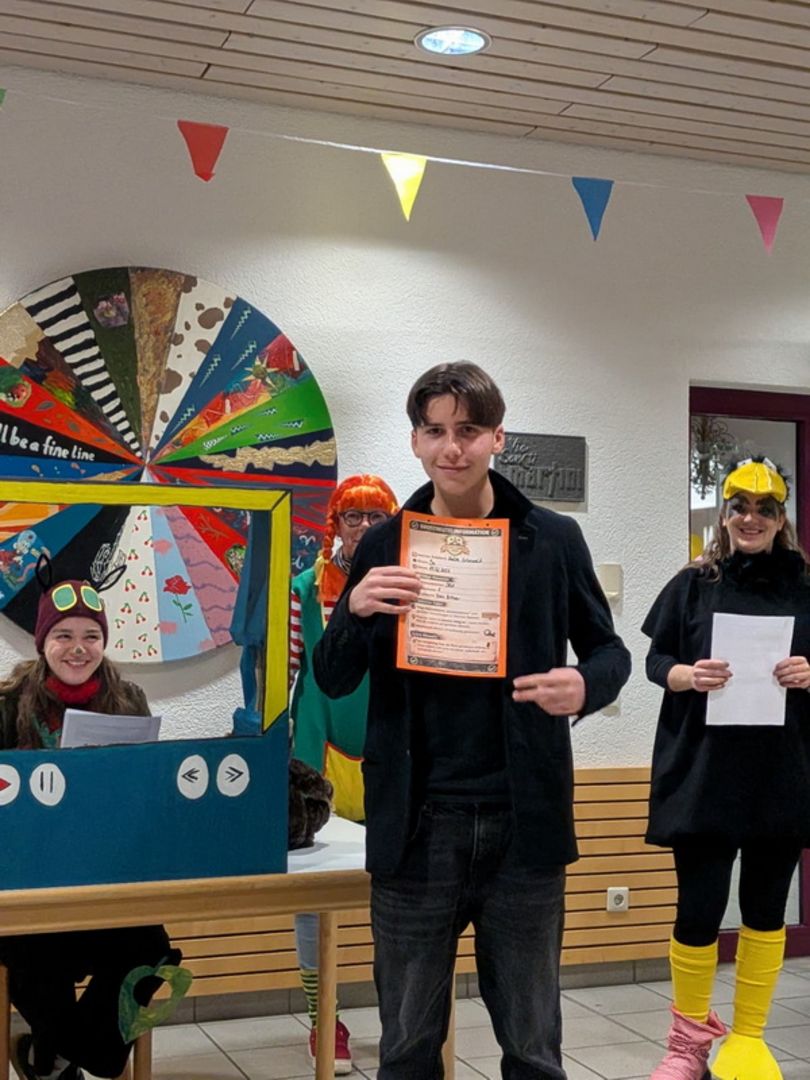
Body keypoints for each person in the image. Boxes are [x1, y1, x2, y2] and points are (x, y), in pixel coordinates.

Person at [313, 362, 631, 1079]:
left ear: (497, 438)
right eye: (435, 431)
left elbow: (611, 653)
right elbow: (332, 676)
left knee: (533, 1047)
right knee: (406, 1048)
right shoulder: (383, 545)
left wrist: (584, 684)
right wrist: (355, 610)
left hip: (524, 825)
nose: (451, 448)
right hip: (416, 827)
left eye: (468, 430)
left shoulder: (552, 538)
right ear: (415, 441)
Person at [644, 458, 810, 1080]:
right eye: (740, 507)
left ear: (781, 519)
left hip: (780, 774)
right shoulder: (694, 583)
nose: (751, 519)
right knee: (699, 909)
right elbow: (656, 660)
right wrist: (686, 675)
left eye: (765, 510)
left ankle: (748, 1041)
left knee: (766, 909)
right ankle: (686, 1048)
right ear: (724, 514)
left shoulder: (805, 586)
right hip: (704, 773)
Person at [0, 573, 188, 1080]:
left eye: (91, 636)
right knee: (35, 958)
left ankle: (59, 1059)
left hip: (108, 882)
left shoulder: (129, 699)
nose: (78, 648)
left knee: (152, 953)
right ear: (43, 642)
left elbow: (146, 793)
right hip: (29, 888)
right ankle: (69, 1059)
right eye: (64, 635)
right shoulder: (7, 703)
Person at [290, 474, 398, 1074]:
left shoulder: (409, 583)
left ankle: (401, 1016)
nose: (363, 528)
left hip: (390, 750)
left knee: (397, 894)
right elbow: (286, 669)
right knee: (313, 898)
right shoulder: (304, 590)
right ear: (334, 524)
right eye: (352, 517)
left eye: (375, 517)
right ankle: (321, 1016)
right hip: (316, 748)